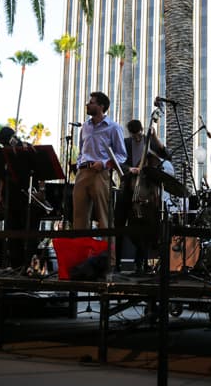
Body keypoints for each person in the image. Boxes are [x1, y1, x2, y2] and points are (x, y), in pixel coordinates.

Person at [115, 118, 171, 273]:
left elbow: (167, 155)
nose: (137, 139)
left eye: (139, 135)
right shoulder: (126, 143)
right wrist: (130, 169)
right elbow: (118, 162)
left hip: (146, 190)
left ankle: (141, 262)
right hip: (128, 187)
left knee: (144, 225)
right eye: (134, 136)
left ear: (142, 130)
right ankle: (116, 262)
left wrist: (155, 138)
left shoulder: (150, 142)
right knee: (118, 222)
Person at [72, 92, 127, 234]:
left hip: (101, 174)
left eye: (91, 102)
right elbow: (81, 151)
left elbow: (121, 155)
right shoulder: (85, 127)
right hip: (82, 173)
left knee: (105, 218)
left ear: (101, 106)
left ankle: (110, 256)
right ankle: (81, 255)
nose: (87, 104)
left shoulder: (114, 127)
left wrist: (103, 164)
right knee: (79, 219)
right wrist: (79, 164)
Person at [0, 127, 46, 270]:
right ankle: (15, 265)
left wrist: (42, 191)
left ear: (12, 139)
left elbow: (41, 172)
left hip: (29, 196)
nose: (4, 147)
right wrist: (0, 195)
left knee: (30, 233)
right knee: (12, 233)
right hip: (11, 197)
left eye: (5, 144)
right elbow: (2, 176)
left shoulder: (28, 149)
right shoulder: (5, 154)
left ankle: (27, 265)